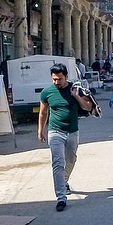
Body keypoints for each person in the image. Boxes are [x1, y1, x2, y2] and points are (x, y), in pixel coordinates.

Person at [38, 63, 92, 212]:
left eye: (59, 79)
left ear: (66, 77)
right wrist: (40, 130)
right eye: (54, 79)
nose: (56, 82)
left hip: (73, 131)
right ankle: (61, 197)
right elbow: (43, 113)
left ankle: (64, 181)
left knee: (71, 159)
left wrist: (76, 97)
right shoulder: (47, 92)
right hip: (55, 132)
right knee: (58, 162)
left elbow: (88, 107)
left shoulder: (76, 90)